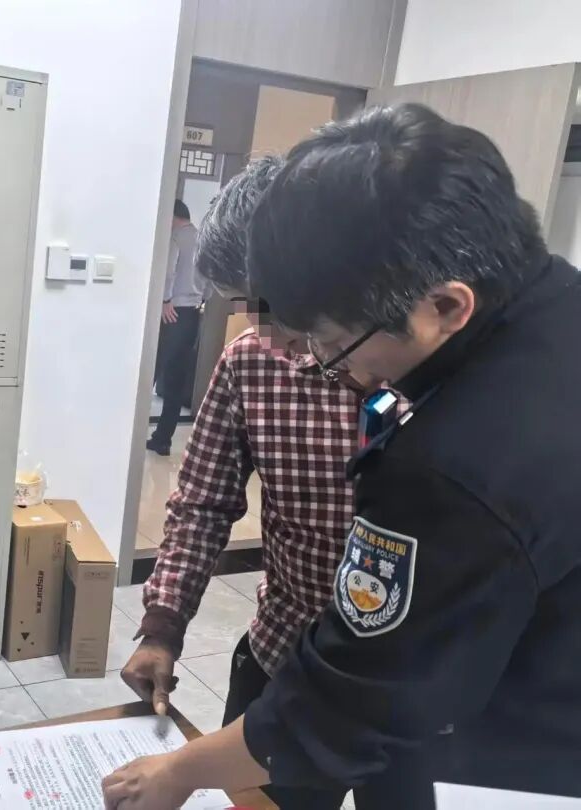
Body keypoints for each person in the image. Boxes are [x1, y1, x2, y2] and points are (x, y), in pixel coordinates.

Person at [104, 103, 581, 808]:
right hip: (309, 660)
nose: (298, 352)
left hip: (423, 706)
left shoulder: (456, 454)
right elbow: (202, 501)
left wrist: (180, 772)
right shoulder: (538, 311)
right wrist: (163, 623)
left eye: (319, 336)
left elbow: (364, 696)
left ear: (444, 309)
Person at [122, 155, 381, 810]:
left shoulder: (414, 370)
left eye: (272, 307)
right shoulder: (251, 362)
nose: (265, 330)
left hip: (406, 681)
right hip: (286, 653)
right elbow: (202, 503)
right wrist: (163, 625)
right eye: (245, 307)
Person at [147, 199, 205, 456]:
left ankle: (133, 433)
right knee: (176, 380)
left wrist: (165, 300)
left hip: (171, 312)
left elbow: (169, 271)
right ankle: (163, 439)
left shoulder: (176, 238)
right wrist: (201, 299)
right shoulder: (204, 239)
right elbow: (209, 278)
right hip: (192, 313)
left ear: (174, 216)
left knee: (151, 371)